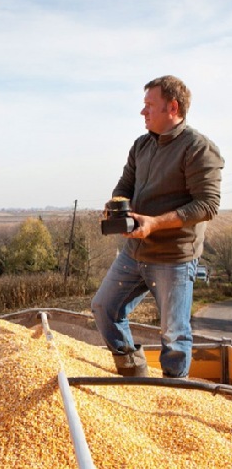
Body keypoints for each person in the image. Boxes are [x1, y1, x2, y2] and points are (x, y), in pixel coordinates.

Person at [91, 75, 224, 378]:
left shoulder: (199, 149)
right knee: (103, 308)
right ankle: (134, 371)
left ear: (173, 107)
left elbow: (207, 205)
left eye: (149, 105)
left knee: (174, 335)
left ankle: (173, 395)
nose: (143, 112)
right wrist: (116, 208)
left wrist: (154, 223)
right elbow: (124, 185)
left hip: (173, 258)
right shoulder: (141, 145)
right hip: (135, 251)